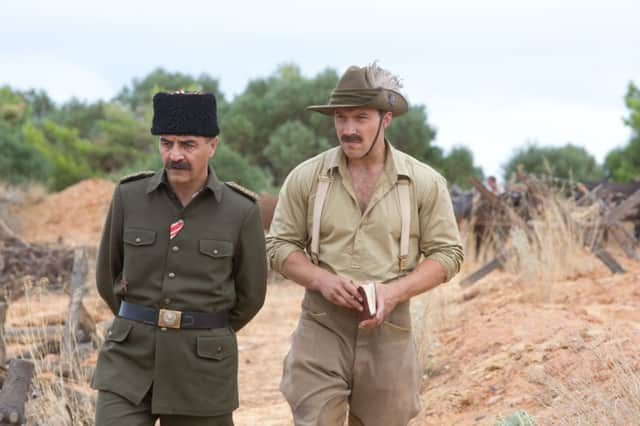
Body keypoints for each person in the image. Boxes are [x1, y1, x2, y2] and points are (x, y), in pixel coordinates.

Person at [266, 63, 464, 426]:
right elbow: (279, 246)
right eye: (341, 119)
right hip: (321, 324)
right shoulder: (307, 177)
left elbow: (448, 254)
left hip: (389, 330)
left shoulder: (423, 181)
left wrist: (394, 293)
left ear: (386, 119)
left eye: (361, 118)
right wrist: (321, 280)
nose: (349, 130)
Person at [92, 91, 267, 426]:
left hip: (202, 367)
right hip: (129, 359)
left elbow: (251, 296)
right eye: (166, 143)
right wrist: (142, 320)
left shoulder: (241, 210)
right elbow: (107, 275)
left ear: (212, 146)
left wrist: (202, 330)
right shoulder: (129, 196)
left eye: (188, 144)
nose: (175, 155)